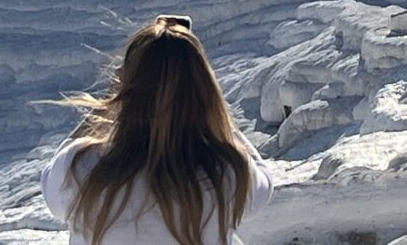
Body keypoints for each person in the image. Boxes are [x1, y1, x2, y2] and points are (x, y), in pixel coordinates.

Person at [41, 16, 273, 245]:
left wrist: (110, 103)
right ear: (203, 94)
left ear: (126, 92)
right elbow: (264, 185)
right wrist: (211, 116)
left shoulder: (79, 165)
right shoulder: (227, 171)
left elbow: (50, 185)